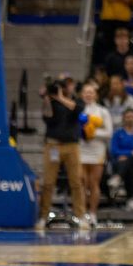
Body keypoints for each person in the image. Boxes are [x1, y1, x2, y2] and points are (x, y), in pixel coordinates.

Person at [38, 79, 87, 229]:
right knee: (48, 182)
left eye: (69, 84)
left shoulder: (76, 100)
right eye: (65, 85)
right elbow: (47, 117)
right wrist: (46, 98)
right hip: (53, 144)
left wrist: (60, 98)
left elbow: (77, 110)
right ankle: (43, 216)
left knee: (76, 182)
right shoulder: (51, 101)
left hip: (72, 146)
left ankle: (81, 216)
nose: (67, 87)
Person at [78, 82, 111, 227]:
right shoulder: (77, 110)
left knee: (94, 183)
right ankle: (82, 213)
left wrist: (93, 133)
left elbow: (109, 133)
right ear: (82, 94)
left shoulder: (103, 111)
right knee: (81, 182)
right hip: (81, 150)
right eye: (86, 92)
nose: (88, 95)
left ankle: (93, 213)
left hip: (97, 150)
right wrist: (83, 133)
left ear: (96, 95)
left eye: (91, 92)